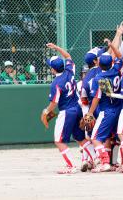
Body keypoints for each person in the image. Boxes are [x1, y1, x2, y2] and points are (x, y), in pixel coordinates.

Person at [40, 43, 96, 174]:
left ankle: (71, 166)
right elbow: (68, 56)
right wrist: (57, 48)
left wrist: (46, 111)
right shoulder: (69, 71)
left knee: (59, 141)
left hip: (66, 112)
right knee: (79, 138)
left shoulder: (56, 83)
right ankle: (95, 158)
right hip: (77, 108)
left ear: (53, 70)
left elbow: (54, 103)